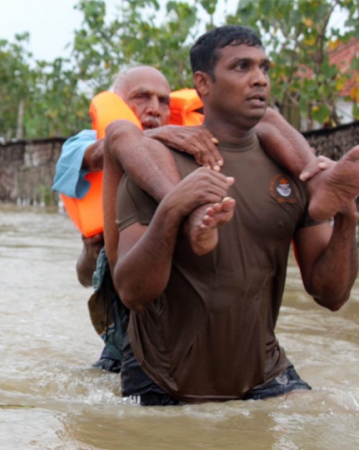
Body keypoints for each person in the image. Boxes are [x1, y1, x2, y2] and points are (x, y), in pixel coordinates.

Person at [112, 25, 359, 405]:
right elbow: (133, 293)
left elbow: (331, 295)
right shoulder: (156, 164)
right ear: (203, 83)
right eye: (242, 67)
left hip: (263, 373)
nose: (259, 79)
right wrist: (174, 208)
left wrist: (346, 221)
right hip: (161, 378)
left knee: (327, 421)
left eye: (264, 68)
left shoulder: (292, 168)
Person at [53, 65, 320, 372]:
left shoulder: (197, 144)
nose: (154, 108)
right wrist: (90, 252)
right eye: (140, 97)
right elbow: (106, 150)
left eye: (163, 100)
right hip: (131, 323)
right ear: (118, 102)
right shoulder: (87, 142)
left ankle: (319, 177)